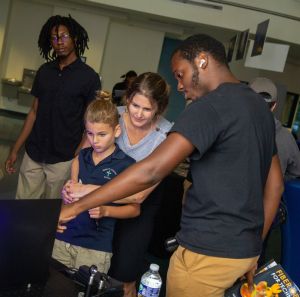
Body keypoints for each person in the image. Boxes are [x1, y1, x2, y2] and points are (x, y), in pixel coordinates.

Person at [59, 34, 283, 297]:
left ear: (202, 61)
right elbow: (275, 184)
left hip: (206, 253)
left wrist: (76, 206)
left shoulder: (208, 107)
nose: (178, 85)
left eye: (180, 74)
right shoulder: (259, 106)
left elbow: (151, 171)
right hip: (242, 253)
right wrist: (253, 246)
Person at [62, 72, 172, 297]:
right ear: (127, 99)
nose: (138, 114)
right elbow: (82, 156)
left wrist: (86, 190)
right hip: (95, 199)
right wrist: (72, 186)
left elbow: (138, 196)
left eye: (147, 109)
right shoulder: (113, 115)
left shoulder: (167, 135)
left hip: (137, 206)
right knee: (81, 270)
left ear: (159, 109)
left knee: (123, 277)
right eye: (134, 105)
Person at [4, 15, 101, 199]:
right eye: (54, 38)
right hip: (34, 152)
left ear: (74, 38)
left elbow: (92, 120)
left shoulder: (89, 77)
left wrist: (79, 152)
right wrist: (15, 149)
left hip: (64, 157)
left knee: (52, 212)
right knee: (22, 207)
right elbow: (33, 112)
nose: (59, 42)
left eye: (64, 36)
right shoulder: (44, 72)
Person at [53, 95, 139, 272]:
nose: (95, 140)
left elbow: (134, 208)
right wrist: (66, 196)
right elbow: (71, 193)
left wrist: (107, 210)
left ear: (116, 131)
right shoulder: (81, 158)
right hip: (63, 238)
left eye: (102, 134)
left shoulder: (126, 165)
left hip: (95, 247)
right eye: (90, 134)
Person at [250, 77, 300, 180]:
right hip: (270, 194)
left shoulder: (229, 128)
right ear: (274, 106)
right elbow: (296, 171)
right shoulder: (286, 138)